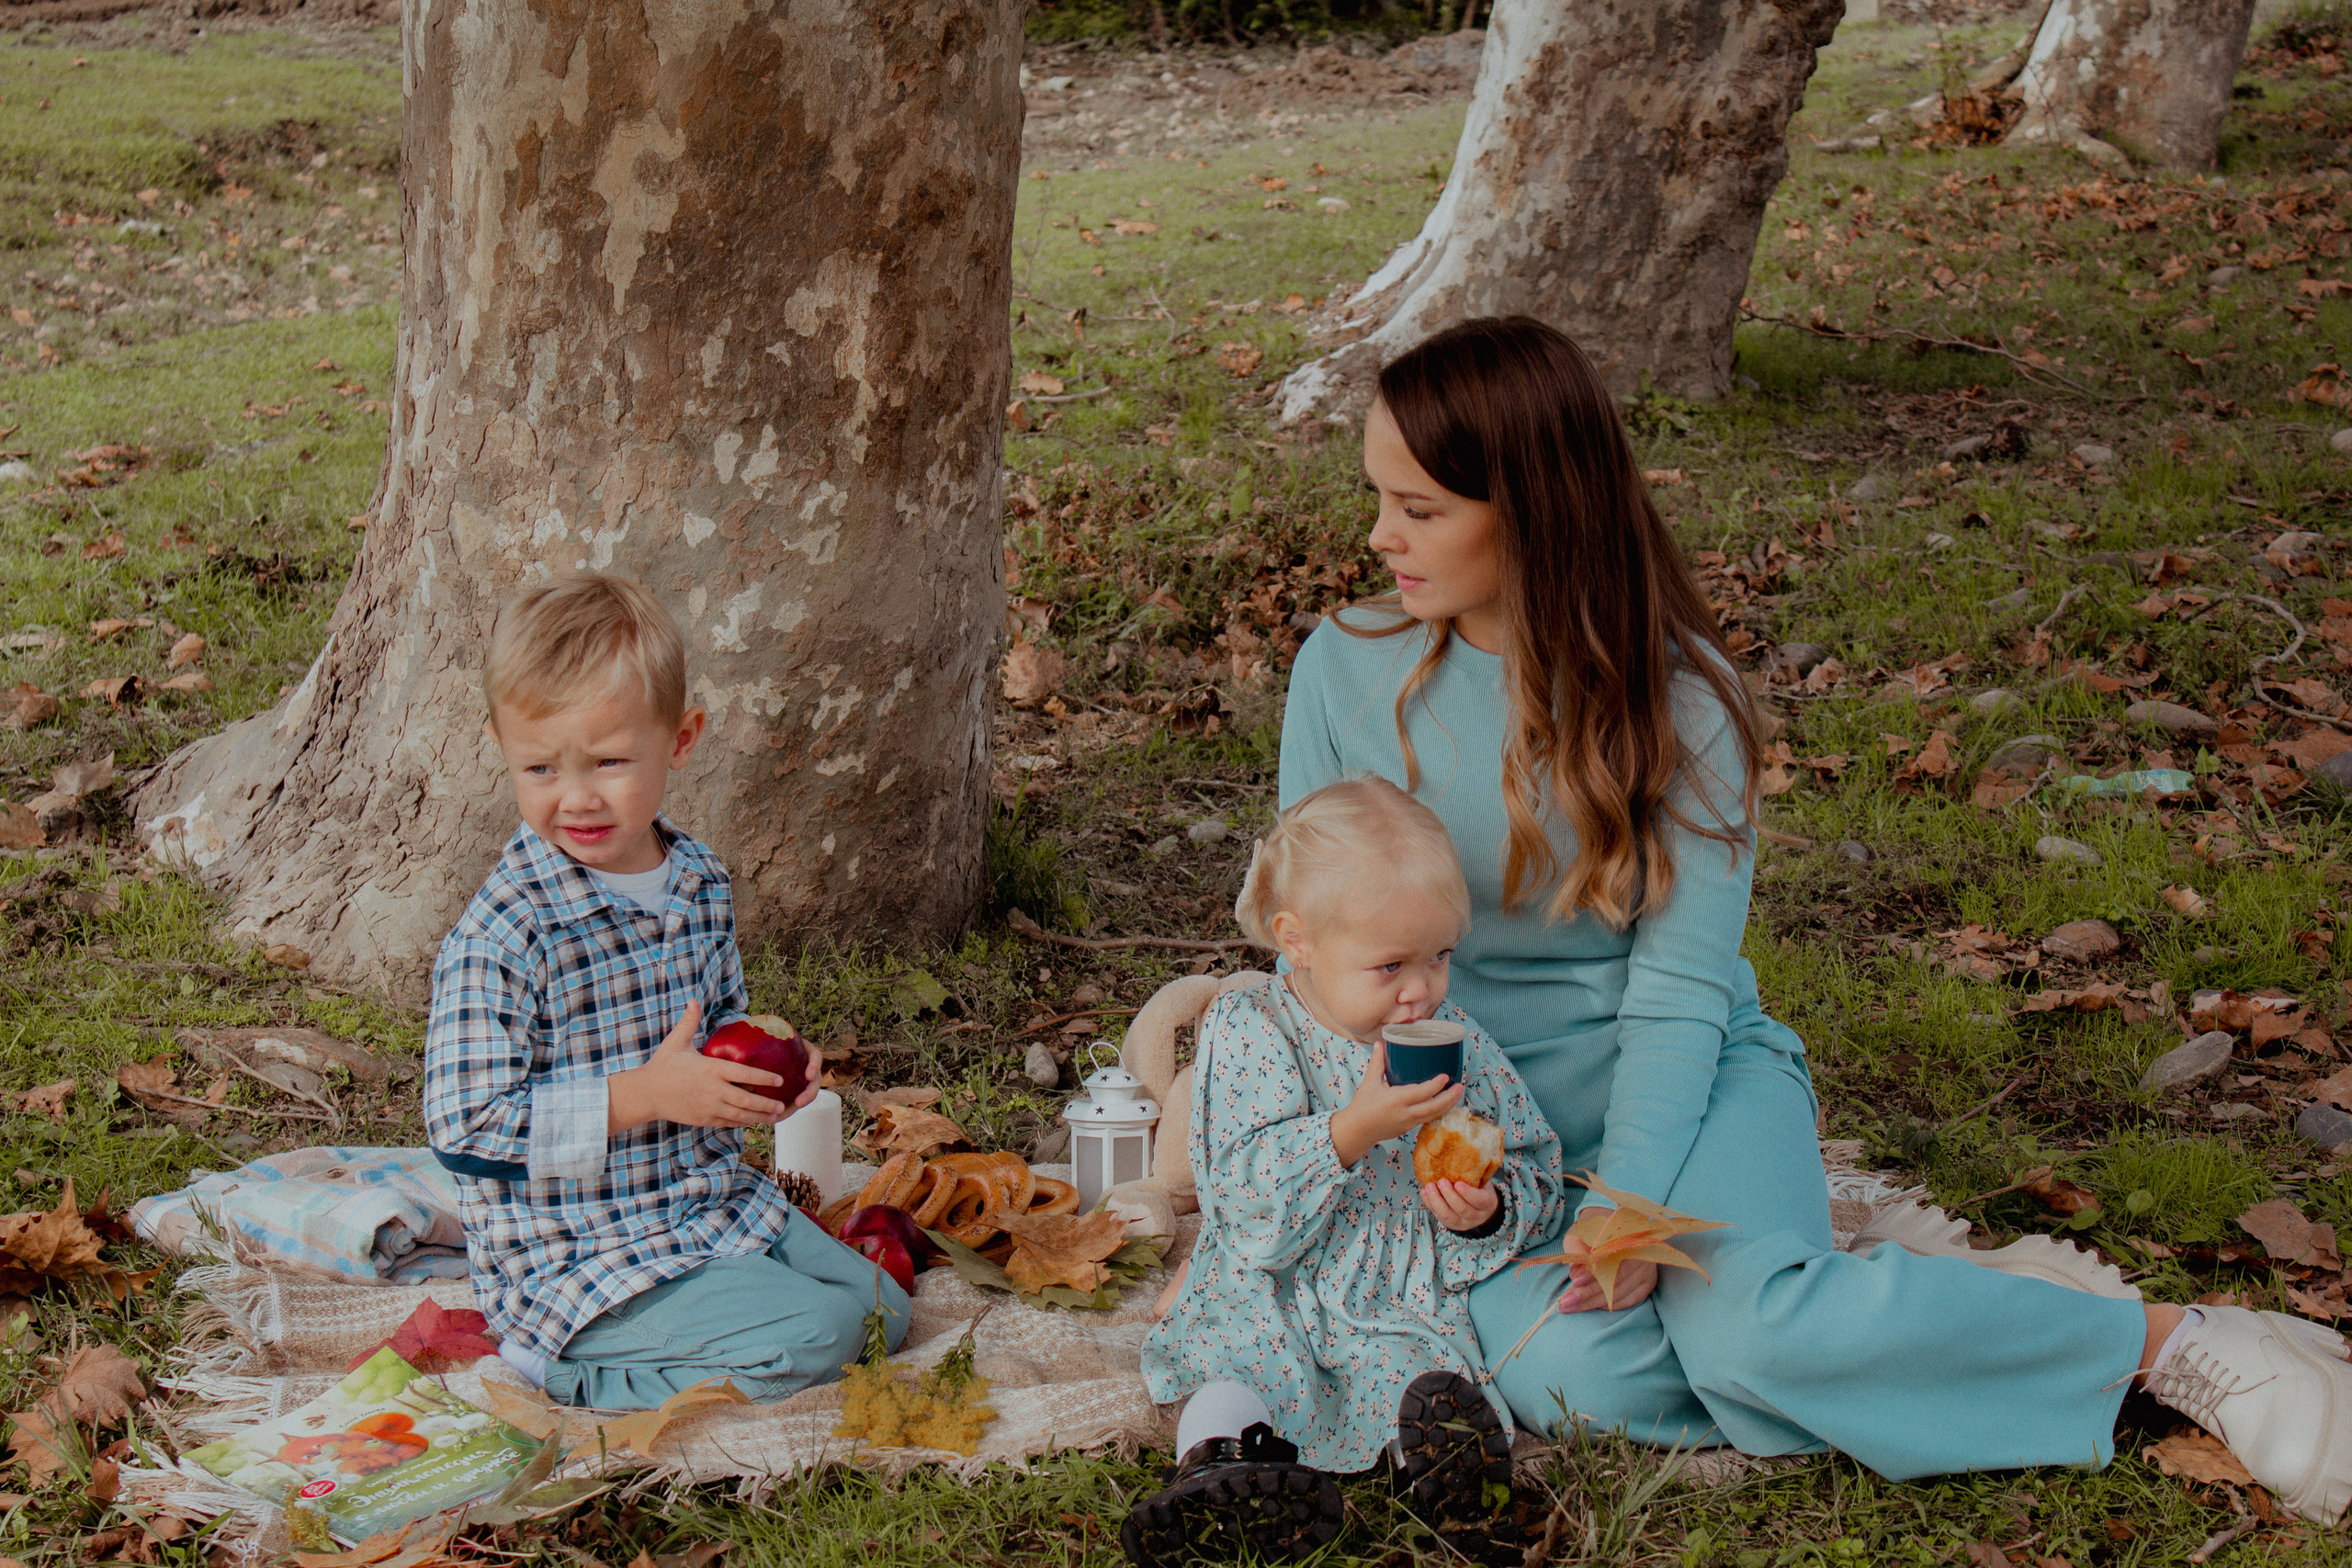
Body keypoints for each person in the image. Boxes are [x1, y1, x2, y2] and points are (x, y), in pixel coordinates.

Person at [1277, 317, 2352, 1524]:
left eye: (1418, 508)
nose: (1380, 536)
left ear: (1528, 503)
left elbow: (1681, 990)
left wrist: (1629, 1200)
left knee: (1758, 1332)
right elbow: (1309, 949)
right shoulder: (1340, 670)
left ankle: (2176, 1342)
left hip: (1683, 1081)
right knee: (1570, 1371)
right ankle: (1873, 1336)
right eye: (1379, 497)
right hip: (1468, 1133)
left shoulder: (1681, 701)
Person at [422, 574, 909, 1410]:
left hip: (703, 1205)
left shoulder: (698, 882)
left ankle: (723, 1317)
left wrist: (769, 1072)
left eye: (609, 761)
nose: (575, 796)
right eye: (540, 766)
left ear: (679, 740)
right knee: (823, 1335)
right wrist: (643, 1094)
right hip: (582, 1254)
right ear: (501, 745)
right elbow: (466, 1128)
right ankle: (561, 1368)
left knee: (883, 1313)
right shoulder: (505, 936)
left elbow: (719, 1029)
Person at [1125, 777, 1566, 1568]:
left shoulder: (1451, 1037)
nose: (1420, 989)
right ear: (1299, 941)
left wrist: (1488, 1210)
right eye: (1390, 964)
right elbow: (1239, 1189)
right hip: (1271, 1279)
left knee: (1421, 1371)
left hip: (1388, 1293)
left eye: (1439, 956)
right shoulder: (1253, 1024)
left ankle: (1441, 1475)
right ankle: (1224, 1468)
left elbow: (1534, 1153)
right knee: (1234, 1364)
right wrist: (1351, 1130)